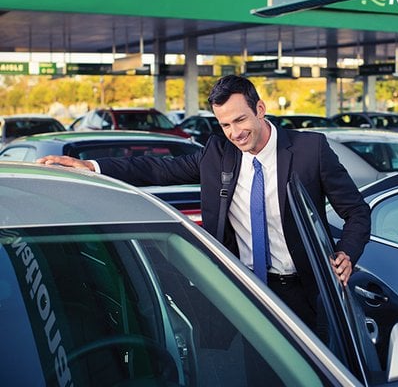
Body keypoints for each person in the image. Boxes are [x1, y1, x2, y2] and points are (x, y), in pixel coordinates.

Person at [37, 75, 370, 333]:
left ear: (260, 109)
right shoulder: (218, 153)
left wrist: (347, 253)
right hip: (242, 288)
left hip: (302, 291)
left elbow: (356, 211)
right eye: (225, 125)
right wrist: (92, 166)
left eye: (240, 120)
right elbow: (157, 169)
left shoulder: (310, 150)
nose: (234, 133)